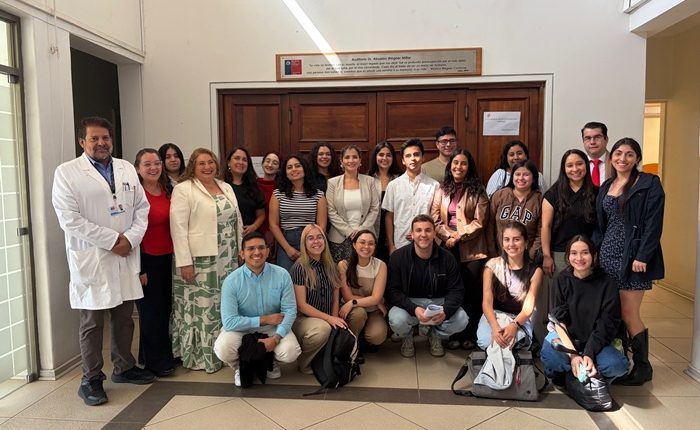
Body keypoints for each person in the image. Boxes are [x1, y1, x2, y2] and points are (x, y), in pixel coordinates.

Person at [52, 117, 154, 406]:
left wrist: (130, 239)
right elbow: (69, 219)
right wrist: (112, 240)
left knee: (124, 318)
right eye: (94, 138)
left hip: (125, 253)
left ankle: (124, 367)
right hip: (94, 256)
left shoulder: (125, 168)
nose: (101, 143)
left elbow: (142, 208)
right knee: (92, 323)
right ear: (82, 142)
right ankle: (91, 378)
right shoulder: (67, 172)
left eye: (105, 138)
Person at [597, 137, 665, 385]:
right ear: (611, 157)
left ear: (637, 158)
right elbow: (603, 223)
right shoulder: (607, 185)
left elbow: (653, 223)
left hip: (633, 258)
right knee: (612, 310)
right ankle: (620, 361)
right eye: (618, 153)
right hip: (607, 256)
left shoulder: (648, 183)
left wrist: (642, 256)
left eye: (628, 154)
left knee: (629, 313)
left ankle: (643, 367)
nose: (622, 158)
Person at [170, 148, 243, 373]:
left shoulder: (225, 186)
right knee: (203, 308)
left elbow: (236, 220)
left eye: (210, 162)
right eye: (201, 163)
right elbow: (178, 228)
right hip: (200, 261)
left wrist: (240, 250)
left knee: (224, 305)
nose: (207, 167)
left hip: (227, 258)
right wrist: (185, 262)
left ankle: (224, 352)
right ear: (193, 166)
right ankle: (200, 355)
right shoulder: (184, 189)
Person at [213, 232, 301, 387]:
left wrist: (276, 339)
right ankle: (241, 366)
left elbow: (290, 311)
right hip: (242, 328)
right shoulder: (231, 281)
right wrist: (263, 319)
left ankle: (269, 362)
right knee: (222, 349)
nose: (257, 252)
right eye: (251, 248)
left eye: (261, 248)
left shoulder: (282, 275)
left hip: (272, 328)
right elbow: (229, 322)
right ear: (242, 254)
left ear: (267, 251)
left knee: (290, 351)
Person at [541, 235, 628, 384]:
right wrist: (573, 355)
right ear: (568, 256)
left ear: (594, 255)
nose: (579, 258)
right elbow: (559, 321)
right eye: (574, 253)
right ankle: (575, 370)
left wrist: (589, 353)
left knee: (616, 366)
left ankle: (584, 369)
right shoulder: (561, 280)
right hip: (568, 339)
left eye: (585, 253)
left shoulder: (607, 283)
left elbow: (607, 323)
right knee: (550, 357)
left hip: (598, 341)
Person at [386, 215, 468, 358]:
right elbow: (393, 291)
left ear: (434, 233)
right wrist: (413, 308)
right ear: (412, 234)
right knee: (396, 320)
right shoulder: (398, 257)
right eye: (418, 230)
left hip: (438, 303)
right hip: (410, 302)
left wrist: (446, 311)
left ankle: (435, 335)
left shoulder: (447, 258)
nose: (423, 234)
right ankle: (407, 336)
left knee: (462, 319)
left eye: (428, 230)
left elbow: (456, 290)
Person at [431, 149, 489, 350]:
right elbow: (434, 218)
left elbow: (480, 221)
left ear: (469, 167)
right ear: (450, 166)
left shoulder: (478, 190)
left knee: (472, 292)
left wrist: (457, 236)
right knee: (452, 291)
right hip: (447, 248)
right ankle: (453, 333)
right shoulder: (442, 189)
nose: (459, 167)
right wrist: (447, 236)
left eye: (463, 163)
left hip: (472, 250)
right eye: (455, 163)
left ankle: (470, 334)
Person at [133, 148, 175, 377]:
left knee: (165, 309)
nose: (153, 168)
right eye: (147, 164)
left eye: (157, 163)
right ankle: (155, 362)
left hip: (169, 257)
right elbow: (132, 233)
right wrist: (140, 268)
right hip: (147, 260)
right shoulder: (135, 195)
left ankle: (155, 355)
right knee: (151, 313)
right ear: (137, 168)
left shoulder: (168, 189)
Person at [477, 221, 542, 350]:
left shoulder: (536, 271)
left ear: (526, 243)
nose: (511, 244)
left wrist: (514, 325)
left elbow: (528, 308)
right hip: (495, 315)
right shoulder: (491, 266)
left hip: (520, 318)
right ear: (502, 243)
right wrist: (495, 327)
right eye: (507, 239)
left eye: (516, 239)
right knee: (486, 342)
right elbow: (487, 303)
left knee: (512, 342)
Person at [291, 224, 347, 374]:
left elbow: (335, 299)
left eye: (319, 237)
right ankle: (305, 363)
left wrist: (335, 320)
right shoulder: (300, 267)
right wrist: (329, 319)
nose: (316, 242)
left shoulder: (331, 265)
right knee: (322, 330)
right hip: (303, 319)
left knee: (341, 327)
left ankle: (330, 354)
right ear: (304, 243)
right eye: (310, 238)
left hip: (327, 317)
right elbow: (302, 306)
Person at [541, 149, 598, 279]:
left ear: (586, 165)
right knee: (560, 290)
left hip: (588, 254)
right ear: (564, 169)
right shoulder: (552, 194)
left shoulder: (597, 193)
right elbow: (546, 226)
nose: (575, 169)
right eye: (570, 165)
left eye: (579, 164)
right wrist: (547, 256)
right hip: (559, 254)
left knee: (586, 290)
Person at [269, 155, 327, 271]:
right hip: (286, 241)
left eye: (297, 166)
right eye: (289, 167)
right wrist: (287, 248)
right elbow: (273, 224)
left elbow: (322, 225)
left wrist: (312, 245)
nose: (294, 169)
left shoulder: (318, 195)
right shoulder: (278, 194)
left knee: (311, 277)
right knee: (287, 277)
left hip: (311, 240)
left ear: (304, 168)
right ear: (285, 172)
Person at [338, 230, 388, 362]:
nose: (366, 246)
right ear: (354, 245)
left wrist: (373, 301)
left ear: (375, 246)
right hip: (353, 310)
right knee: (359, 313)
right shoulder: (344, 265)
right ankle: (353, 345)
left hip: (373, 310)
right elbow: (348, 297)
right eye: (362, 242)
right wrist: (374, 301)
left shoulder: (380, 265)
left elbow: (377, 297)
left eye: (371, 243)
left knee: (377, 336)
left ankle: (363, 339)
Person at [382, 138, 439, 255]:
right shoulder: (393, 185)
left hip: (426, 244)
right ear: (403, 160)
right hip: (400, 243)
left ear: (423, 158)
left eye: (416, 154)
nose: (413, 158)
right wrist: (391, 245)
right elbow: (389, 216)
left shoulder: (434, 185)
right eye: (408, 156)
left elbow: (436, 217)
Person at [326, 144, 380, 262]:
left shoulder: (369, 181)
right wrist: (349, 232)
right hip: (339, 238)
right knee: (342, 272)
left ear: (360, 160)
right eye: (347, 157)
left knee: (364, 271)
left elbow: (375, 208)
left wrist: (362, 230)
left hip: (366, 238)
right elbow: (330, 211)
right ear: (341, 161)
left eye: (355, 157)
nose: (351, 160)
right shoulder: (332, 183)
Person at [489, 159, 543, 260]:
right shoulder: (499, 196)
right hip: (499, 257)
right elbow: (489, 226)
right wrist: (493, 254)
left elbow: (541, 233)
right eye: (517, 174)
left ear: (534, 178)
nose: (521, 178)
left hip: (527, 259)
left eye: (526, 174)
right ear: (512, 176)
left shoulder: (540, 200)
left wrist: (530, 256)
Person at [367, 141, 402, 262]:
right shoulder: (368, 179)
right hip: (374, 226)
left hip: (396, 227)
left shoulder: (401, 178)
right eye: (381, 155)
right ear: (375, 157)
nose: (385, 158)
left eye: (388, 155)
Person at [223, 147, 266, 235]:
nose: (241, 162)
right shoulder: (220, 186)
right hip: (226, 235)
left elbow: (261, 214)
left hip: (248, 237)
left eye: (244, 160)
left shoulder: (254, 187)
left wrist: (254, 226)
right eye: (237, 158)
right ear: (228, 162)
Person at [257, 152, 281, 262]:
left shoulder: (282, 188)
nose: (270, 165)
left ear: (279, 168)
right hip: (257, 231)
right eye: (267, 161)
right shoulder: (254, 185)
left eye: (275, 163)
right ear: (262, 164)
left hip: (278, 234)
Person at [581, 121, 611, 187]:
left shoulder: (617, 162)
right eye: (588, 138)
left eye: (597, 137)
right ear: (583, 141)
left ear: (606, 139)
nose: (592, 142)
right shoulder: (578, 165)